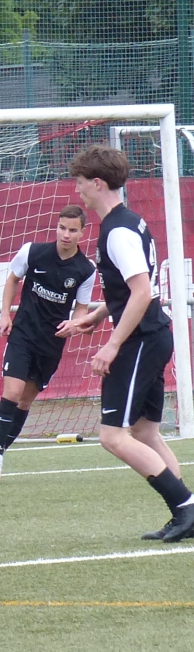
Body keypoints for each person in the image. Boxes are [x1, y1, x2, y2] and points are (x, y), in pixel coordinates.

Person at [64, 146, 194, 541]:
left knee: (112, 436)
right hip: (151, 335)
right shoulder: (126, 223)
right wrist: (98, 315)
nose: (77, 190)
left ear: (98, 183)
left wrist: (112, 345)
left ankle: (186, 509)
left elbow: (141, 292)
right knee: (144, 432)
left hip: (141, 340)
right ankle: (185, 512)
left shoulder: (118, 231)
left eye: (81, 183)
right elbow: (132, 290)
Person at [0, 205, 97, 482]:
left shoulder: (86, 269)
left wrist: (76, 324)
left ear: (82, 232)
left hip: (51, 343)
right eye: (62, 228)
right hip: (22, 335)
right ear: (56, 227)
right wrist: (5, 314)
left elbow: (81, 308)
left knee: (25, 401)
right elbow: (12, 279)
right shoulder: (32, 252)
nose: (66, 235)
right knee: (12, 392)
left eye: (72, 230)